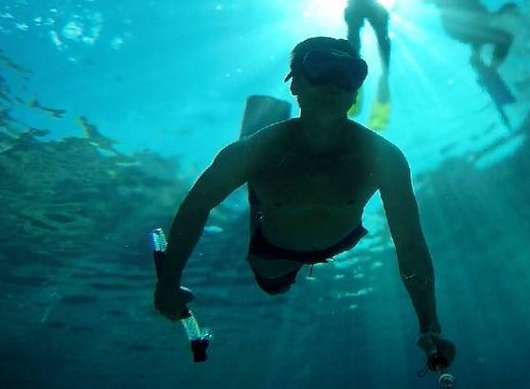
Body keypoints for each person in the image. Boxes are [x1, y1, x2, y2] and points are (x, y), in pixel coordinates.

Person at [153, 36, 456, 372]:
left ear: (356, 90)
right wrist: (167, 282)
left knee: (265, 180)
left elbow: (410, 243)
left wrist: (430, 325)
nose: (333, 82)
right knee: (272, 286)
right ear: (294, 83)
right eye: (320, 67)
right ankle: (259, 195)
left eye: (349, 73)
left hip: (340, 241)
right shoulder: (254, 150)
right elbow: (197, 206)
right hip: (273, 250)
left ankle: (261, 188)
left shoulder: (384, 158)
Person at [422, 0, 515, 70]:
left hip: (468, 29)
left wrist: (501, 12)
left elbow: (486, 16)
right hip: (458, 28)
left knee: (500, 36)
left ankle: (478, 55)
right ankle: (486, 63)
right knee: (503, 38)